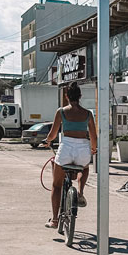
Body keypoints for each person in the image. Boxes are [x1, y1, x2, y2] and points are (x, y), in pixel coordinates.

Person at [43, 82, 97, 228]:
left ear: (66, 96)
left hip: (66, 148)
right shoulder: (88, 114)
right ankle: (80, 192)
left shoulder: (61, 112)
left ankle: (54, 220)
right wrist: (93, 149)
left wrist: (47, 141)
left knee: (56, 185)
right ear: (80, 97)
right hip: (82, 150)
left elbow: (53, 134)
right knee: (84, 168)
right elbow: (93, 136)